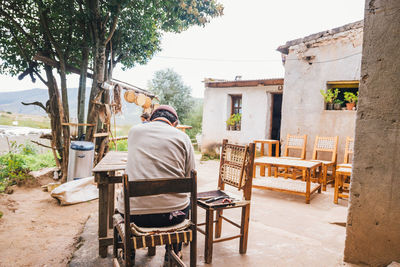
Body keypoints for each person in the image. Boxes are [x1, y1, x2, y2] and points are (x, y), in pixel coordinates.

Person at [116, 105, 195, 264]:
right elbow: (190, 174)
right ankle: (173, 252)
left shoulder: (135, 132)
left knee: (120, 201)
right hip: (174, 218)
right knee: (183, 201)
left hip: (135, 218)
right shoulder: (183, 138)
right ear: (175, 123)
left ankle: (128, 250)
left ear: (151, 119)